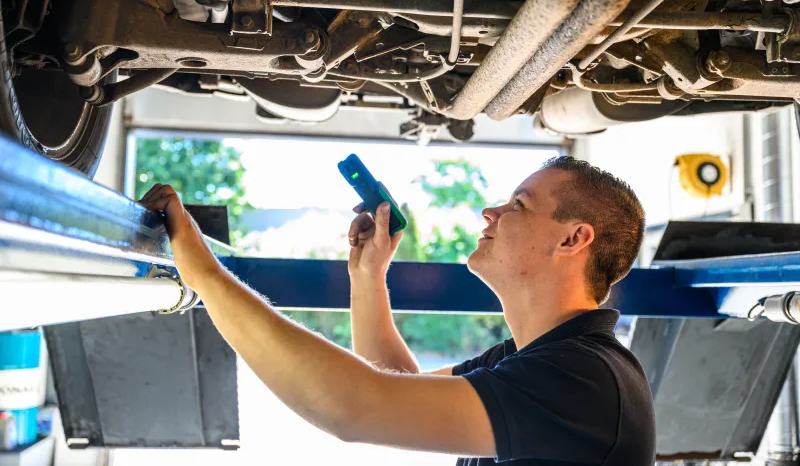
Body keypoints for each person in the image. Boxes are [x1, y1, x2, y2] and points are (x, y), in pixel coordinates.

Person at [139, 155, 655, 465]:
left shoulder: (584, 378)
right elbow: (395, 386)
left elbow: (353, 406)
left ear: (573, 238)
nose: (489, 212)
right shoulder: (540, 360)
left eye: (518, 205)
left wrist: (205, 275)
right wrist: (369, 278)